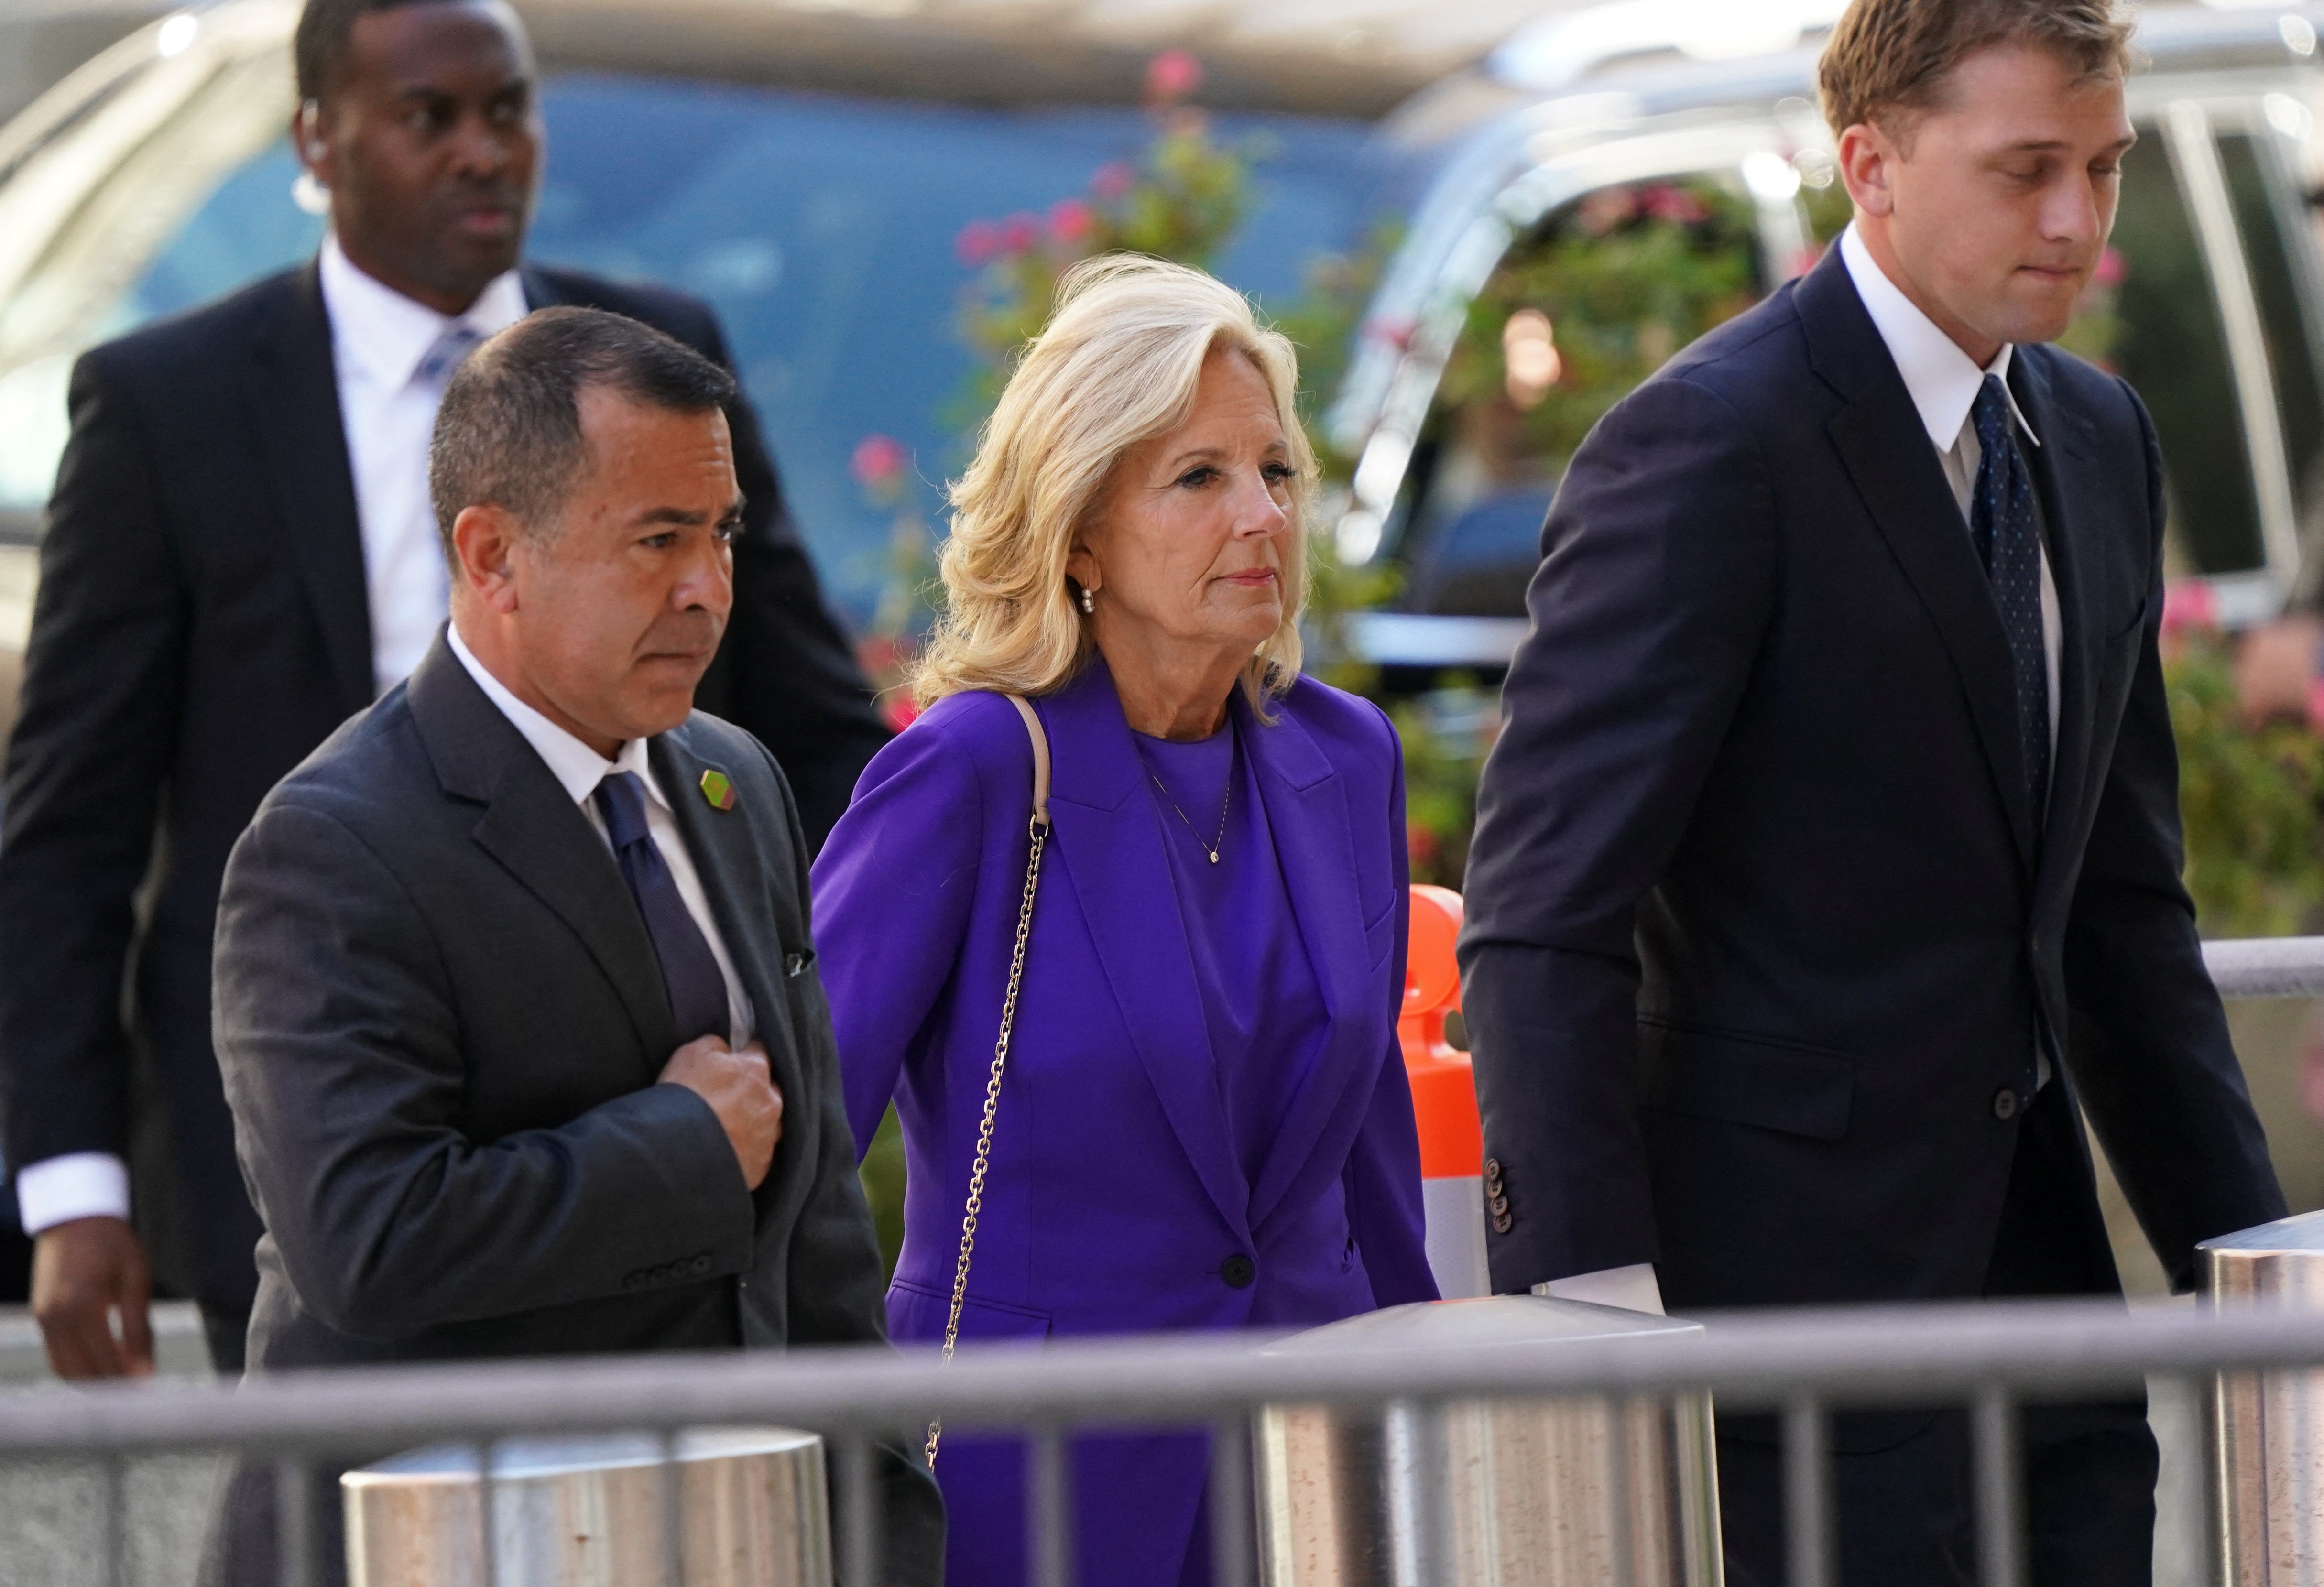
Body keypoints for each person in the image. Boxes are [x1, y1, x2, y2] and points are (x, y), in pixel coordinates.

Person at [1459, 2, 2285, 1583]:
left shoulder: (2098, 435)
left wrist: (2252, 1269)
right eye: (2028, 167)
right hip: (1780, 1331)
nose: (2077, 219)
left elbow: (2120, 905)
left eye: (2104, 167)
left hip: (2045, 1318)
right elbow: (1544, 920)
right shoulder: (1707, 446)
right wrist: (1585, 1310)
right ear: (1872, 163)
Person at [0, 0, 887, 1383]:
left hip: (646, 1069)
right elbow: (71, 821)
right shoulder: (166, 401)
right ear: (317, 137)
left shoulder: (657, 366)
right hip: (317, 1111)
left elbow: (820, 724)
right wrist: (70, 1181)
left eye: (509, 109)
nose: (484, 151)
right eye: (430, 117)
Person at [200, 306, 938, 1587]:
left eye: (720, 534)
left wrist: (889, 1532)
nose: (708, 587)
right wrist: (680, 1147)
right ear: (491, 556)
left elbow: (810, 1224)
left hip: (720, 1543)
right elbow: (364, 1240)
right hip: (442, 1555)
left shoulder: (733, 782)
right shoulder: (330, 848)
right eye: (657, 540)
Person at [812, 256, 1438, 1587]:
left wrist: (1427, 1405)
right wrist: (813, 1441)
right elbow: (809, 1145)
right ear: (1079, 531)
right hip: (1039, 1481)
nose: (1261, 516)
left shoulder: (1346, 757)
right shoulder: (973, 770)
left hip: (1313, 1468)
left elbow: (1368, 1141)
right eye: (1197, 478)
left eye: (1275, 472)